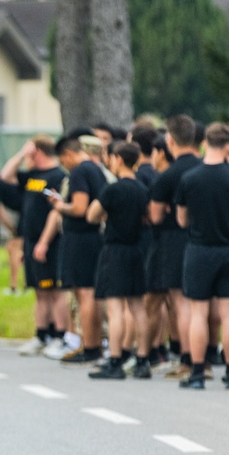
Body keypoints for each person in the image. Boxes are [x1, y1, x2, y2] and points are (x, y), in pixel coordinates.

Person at [175, 123, 229, 390]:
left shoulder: (190, 178)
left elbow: (181, 219)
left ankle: (196, 372)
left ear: (205, 142)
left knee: (198, 312)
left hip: (199, 249)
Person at [0, 135, 70, 356]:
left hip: (50, 241)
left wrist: (44, 242)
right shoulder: (31, 176)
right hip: (30, 240)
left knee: (56, 291)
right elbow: (4, 176)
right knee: (40, 291)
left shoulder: (58, 175)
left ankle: (60, 336)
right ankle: (42, 335)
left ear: (37, 151)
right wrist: (21, 155)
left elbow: (57, 213)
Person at [85, 141, 151, 380]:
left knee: (115, 309)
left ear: (119, 159)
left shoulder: (112, 190)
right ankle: (143, 358)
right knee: (137, 307)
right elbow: (148, 217)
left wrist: (106, 213)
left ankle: (115, 360)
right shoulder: (142, 189)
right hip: (136, 250)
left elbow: (91, 215)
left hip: (115, 250)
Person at [148, 115, 202, 379]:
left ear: (170, 140)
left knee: (180, 303)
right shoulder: (205, 166)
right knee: (201, 304)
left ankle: (188, 358)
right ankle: (205, 356)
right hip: (202, 238)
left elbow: (155, 215)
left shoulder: (169, 175)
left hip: (173, 239)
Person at [47, 137, 106, 364]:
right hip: (93, 238)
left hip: (81, 239)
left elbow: (80, 207)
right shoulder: (95, 169)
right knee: (89, 293)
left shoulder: (80, 171)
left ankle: (90, 345)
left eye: (63, 160)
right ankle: (93, 344)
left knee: (85, 294)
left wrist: (60, 205)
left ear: (68, 154)